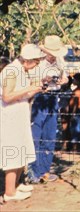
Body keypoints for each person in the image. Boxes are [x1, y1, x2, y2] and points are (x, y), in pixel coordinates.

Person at [1, 44, 46, 201]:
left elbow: (22, 94)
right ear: (27, 60)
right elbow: (7, 96)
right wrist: (29, 87)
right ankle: (9, 192)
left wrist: (36, 89)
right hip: (10, 117)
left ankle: (16, 185)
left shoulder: (21, 71)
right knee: (13, 153)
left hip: (20, 115)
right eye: (36, 62)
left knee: (21, 150)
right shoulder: (11, 72)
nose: (37, 65)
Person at [29, 35, 69, 184]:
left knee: (50, 135)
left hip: (54, 97)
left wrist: (61, 80)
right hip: (40, 97)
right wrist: (43, 81)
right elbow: (31, 80)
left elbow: (64, 78)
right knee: (35, 135)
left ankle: (45, 170)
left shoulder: (60, 61)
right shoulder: (37, 63)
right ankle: (33, 171)